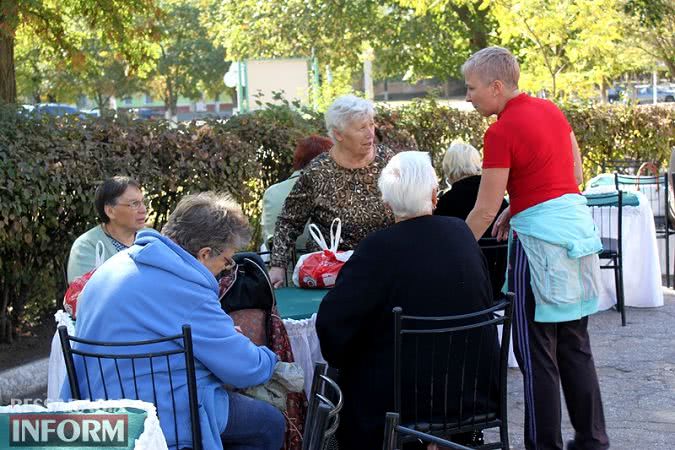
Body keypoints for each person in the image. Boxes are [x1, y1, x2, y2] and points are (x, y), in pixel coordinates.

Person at [462, 46, 609, 450]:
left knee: (537, 354)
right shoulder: (551, 111)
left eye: (472, 88)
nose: (468, 96)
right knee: (576, 345)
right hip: (577, 234)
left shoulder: (500, 131)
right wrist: (519, 205)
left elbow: (484, 208)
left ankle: (544, 445)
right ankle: (593, 440)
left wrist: (452, 248)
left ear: (496, 87)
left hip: (540, 246)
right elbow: (573, 175)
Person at [61, 192, 285, 450]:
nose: (226, 268)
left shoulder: (113, 267)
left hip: (95, 415)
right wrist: (270, 358)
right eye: (226, 261)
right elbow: (245, 369)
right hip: (161, 419)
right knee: (270, 424)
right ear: (204, 254)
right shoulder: (188, 286)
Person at [316, 151, 498, 450]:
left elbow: (332, 330)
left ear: (387, 202)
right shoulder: (462, 235)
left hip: (401, 405)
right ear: (435, 195)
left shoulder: (377, 248)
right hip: (473, 392)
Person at [268, 95, 395, 287]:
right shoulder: (318, 171)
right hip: (333, 275)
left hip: (385, 266)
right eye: (362, 128)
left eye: (371, 124)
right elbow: (289, 220)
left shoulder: (389, 161)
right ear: (339, 134)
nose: (371, 133)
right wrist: (277, 265)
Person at [434, 141, 509, 299]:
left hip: (461, 286)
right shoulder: (497, 198)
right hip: (499, 283)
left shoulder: (446, 203)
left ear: (449, 167)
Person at [66, 176, 147, 283]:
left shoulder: (150, 238)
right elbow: (85, 295)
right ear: (110, 211)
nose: (143, 210)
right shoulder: (87, 247)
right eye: (134, 204)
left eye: (142, 202)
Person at [261, 135, 332, 248]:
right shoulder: (330, 190)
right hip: (321, 262)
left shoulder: (271, 192)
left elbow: (268, 237)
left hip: (280, 261)